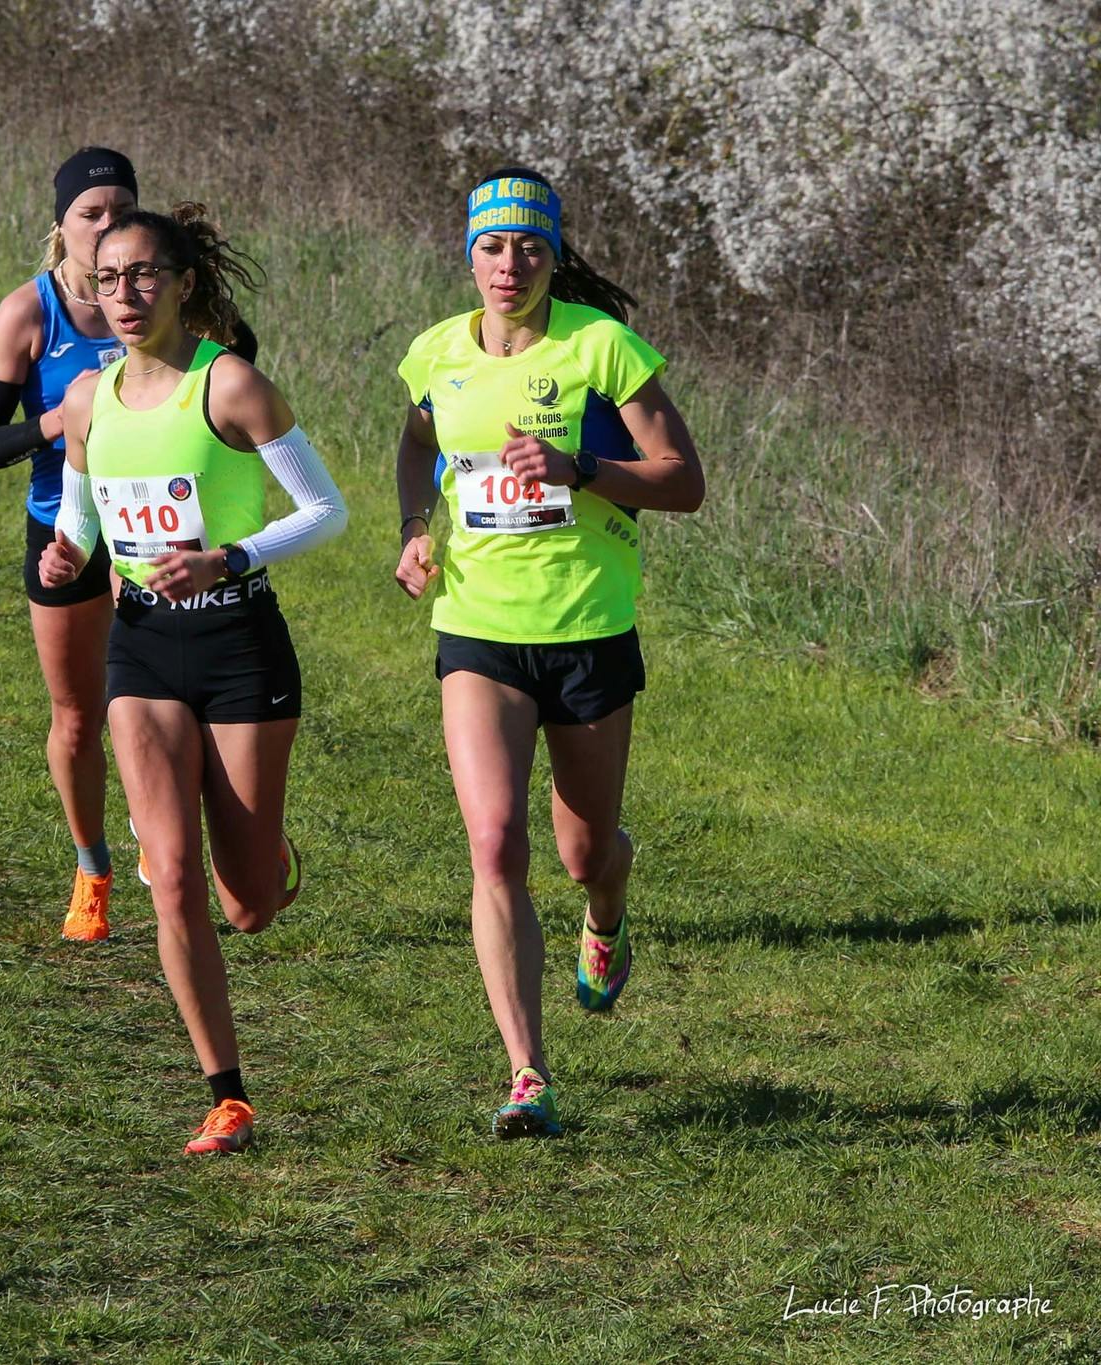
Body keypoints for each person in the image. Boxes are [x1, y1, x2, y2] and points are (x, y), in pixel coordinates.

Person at [392, 167, 705, 1139]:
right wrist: (415, 526)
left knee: (580, 852)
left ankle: (606, 912)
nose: (507, 263)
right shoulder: (435, 354)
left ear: (552, 252)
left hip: (584, 630)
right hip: (476, 628)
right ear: (466, 254)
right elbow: (416, 444)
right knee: (493, 845)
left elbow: (683, 482)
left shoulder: (600, 347)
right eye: (490, 245)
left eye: (527, 245)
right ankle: (526, 1072)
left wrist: (581, 470)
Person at [40, 204, 346, 1154]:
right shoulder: (89, 400)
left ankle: (266, 858)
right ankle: (227, 1095)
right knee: (170, 878)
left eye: (142, 277)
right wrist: (66, 552)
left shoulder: (233, 387)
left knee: (246, 904)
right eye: (106, 279)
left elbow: (326, 512)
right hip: (143, 651)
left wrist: (230, 557)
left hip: (241, 647)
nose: (123, 295)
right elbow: (89, 517)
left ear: (180, 284)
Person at [0, 147, 139, 943]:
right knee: (78, 716)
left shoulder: (159, 297)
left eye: (118, 211)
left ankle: (179, 842)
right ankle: (91, 866)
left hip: (155, 523)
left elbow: (231, 362)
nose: (105, 228)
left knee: (168, 701)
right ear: (60, 224)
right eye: (89, 214)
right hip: (65, 530)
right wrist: (57, 420)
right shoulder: (28, 314)